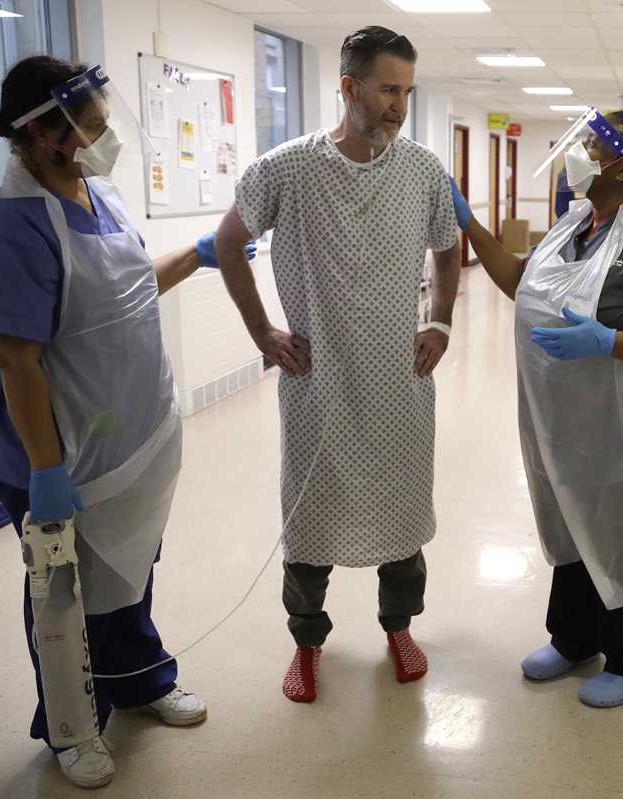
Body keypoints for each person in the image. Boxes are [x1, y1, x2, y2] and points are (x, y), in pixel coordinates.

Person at [0, 56, 253, 788]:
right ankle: (72, 724)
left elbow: (128, 293)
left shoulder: (101, 195)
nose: (104, 134)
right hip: (59, 453)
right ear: (46, 135)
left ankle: (142, 681)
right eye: (90, 125)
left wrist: (197, 256)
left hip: (129, 440)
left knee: (128, 570)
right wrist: (48, 470)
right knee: (65, 592)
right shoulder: (5, 229)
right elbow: (16, 361)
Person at [213, 26, 461, 702]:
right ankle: (307, 640)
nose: (399, 106)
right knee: (310, 519)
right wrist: (261, 330)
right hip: (316, 381)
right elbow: (228, 242)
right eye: (387, 90)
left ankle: (399, 626)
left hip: (399, 381)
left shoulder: (422, 170)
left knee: (402, 512)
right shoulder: (287, 168)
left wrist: (440, 320)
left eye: (407, 92)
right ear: (349, 87)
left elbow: (448, 248)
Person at [449, 110, 623, 708]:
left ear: (622, 166)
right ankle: (574, 641)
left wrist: (610, 341)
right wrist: (469, 224)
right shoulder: (573, 225)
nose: (578, 154)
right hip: (571, 417)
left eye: (590, 146)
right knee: (572, 523)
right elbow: (522, 283)